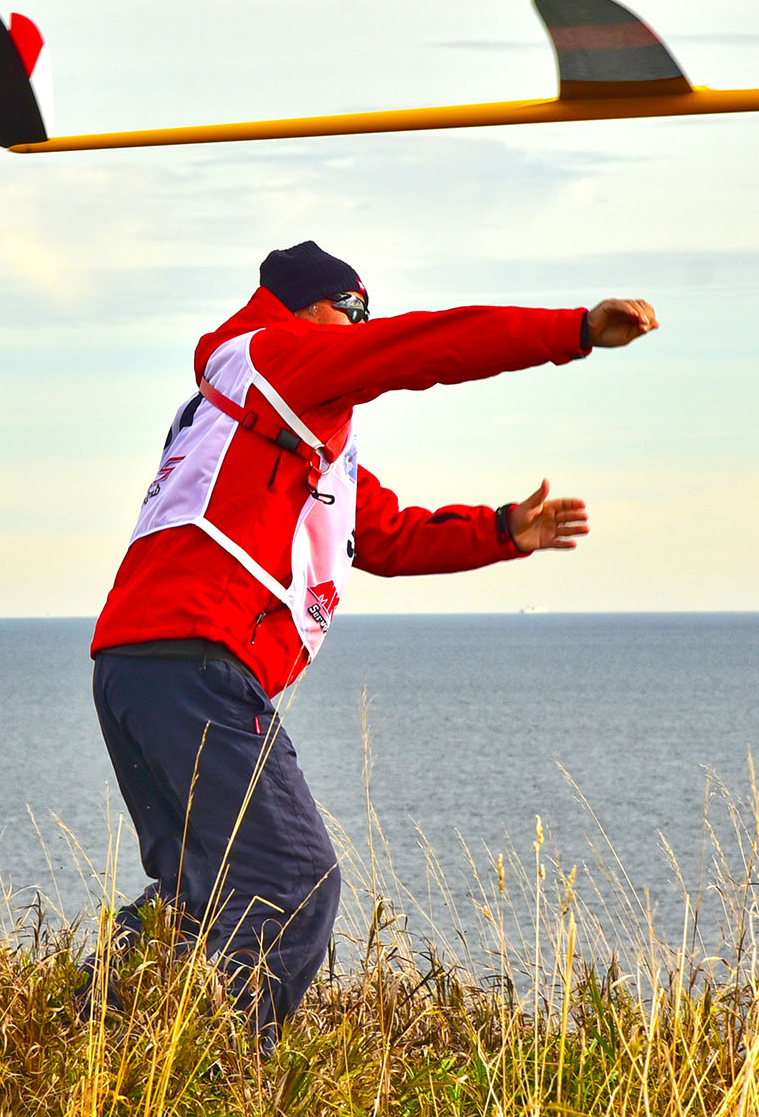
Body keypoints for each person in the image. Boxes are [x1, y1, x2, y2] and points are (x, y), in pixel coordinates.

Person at [86, 240, 656, 1045]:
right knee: (293, 880)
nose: (364, 328)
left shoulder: (274, 412)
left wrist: (502, 530)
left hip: (137, 668)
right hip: (195, 663)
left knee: (199, 892)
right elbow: (428, 345)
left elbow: (380, 535)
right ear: (309, 310)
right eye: (354, 313)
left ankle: (82, 1044)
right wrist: (573, 331)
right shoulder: (278, 357)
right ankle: (209, 1079)